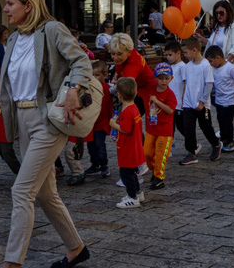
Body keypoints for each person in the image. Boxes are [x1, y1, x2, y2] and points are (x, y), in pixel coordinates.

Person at [0, 0, 92, 268]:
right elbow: (12, 83)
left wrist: (73, 90)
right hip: (22, 120)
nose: (5, 8)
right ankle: (77, 248)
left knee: (21, 191)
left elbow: (81, 61)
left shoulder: (51, 30)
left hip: (48, 121)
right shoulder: (13, 39)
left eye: (11, 3)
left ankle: (12, 265)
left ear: (28, 5)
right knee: (45, 194)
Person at [64, 62, 111, 186]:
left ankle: (104, 165)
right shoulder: (87, 87)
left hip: (101, 122)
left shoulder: (106, 88)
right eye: (92, 75)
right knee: (91, 146)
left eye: (97, 75)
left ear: (104, 75)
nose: (94, 78)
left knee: (100, 144)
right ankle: (95, 165)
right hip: (90, 123)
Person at [177, 39, 218, 165]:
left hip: (201, 104)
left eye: (186, 52)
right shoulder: (188, 66)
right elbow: (186, 83)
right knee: (188, 128)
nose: (185, 55)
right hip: (188, 103)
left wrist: (202, 101)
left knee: (205, 126)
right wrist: (184, 100)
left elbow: (208, 85)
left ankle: (216, 144)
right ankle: (191, 152)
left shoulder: (205, 65)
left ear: (194, 50)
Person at [110, 77, 145, 210]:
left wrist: (113, 124)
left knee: (126, 174)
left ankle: (132, 197)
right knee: (132, 173)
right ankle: (137, 193)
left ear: (119, 95)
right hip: (134, 147)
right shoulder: (134, 107)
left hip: (127, 149)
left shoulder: (127, 111)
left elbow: (125, 129)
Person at [107, 34, 156, 128]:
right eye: (113, 54)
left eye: (119, 54)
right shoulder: (127, 49)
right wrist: (117, 74)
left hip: (146, 91)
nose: (115, 58)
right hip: (137, 87)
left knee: (129, 121)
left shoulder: (132, 66)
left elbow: (127, 91)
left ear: (129, 52)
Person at [144, 62, 177, 190]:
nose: (163, 81)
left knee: (161, 154)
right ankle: (154, 170)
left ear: (171, 79)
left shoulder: (170, 95)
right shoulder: (150, 89)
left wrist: (157, 101)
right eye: (160, 78)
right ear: (155, 78)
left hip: (164, 131)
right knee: (147, 153)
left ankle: (159, 177)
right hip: (151, 129)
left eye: (166, 78)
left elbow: (170, 110)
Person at [206, 45, 234, 154]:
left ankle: (230, 141)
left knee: (227, 121)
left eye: (211, 61)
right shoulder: (213, 69)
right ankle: (224, 138)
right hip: (219, 99)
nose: (210, 64)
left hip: (230, 99)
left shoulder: (230, 68)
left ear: (218, 57)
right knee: (220, 119)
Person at [200, 0, 234, 65]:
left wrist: (225, 62)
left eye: (221, 13)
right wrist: (202, 39)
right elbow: (215, 43)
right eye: (216, 13)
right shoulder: (217, 26)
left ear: (228, 12)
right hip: (216, 63)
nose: (219, 15)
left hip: (230, 64)